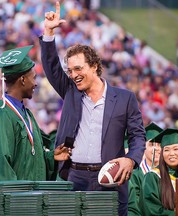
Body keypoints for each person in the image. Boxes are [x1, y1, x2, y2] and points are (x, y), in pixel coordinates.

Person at [39, 2, 146, 215]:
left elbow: (137, 136)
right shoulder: (70, 91)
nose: (73, 74)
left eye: (78, 68)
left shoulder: (125, 98)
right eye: (70, 71)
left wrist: (130, 159)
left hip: (110, 178)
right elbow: (51, 67)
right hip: (74, 176)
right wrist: (49, 32)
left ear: (95, 66)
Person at [0, 45, 71, 181]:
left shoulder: (26, 114)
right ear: (23, 80)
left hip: (30, 197)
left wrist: (51, 157)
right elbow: (0, 171)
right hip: (16, 199)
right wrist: (18, 198)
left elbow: (29, 160)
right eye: (33, 78)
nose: (35, 84)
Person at [139, 128, 178, 215]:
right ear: (162, 154)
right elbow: (151, 210)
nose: (171, 153)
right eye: (166, 150)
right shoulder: (152, 177)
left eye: (176, 149)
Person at [129, 122, 163, 205]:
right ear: (144, 147)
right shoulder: (135, 173)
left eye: (159, 145)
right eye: (151, 145)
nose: (156, 149)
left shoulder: (169, 172)